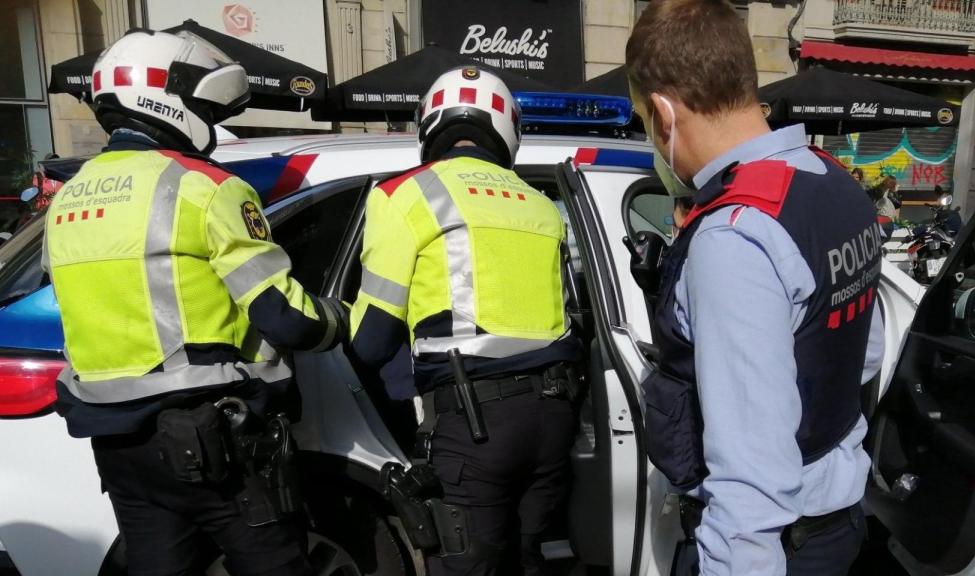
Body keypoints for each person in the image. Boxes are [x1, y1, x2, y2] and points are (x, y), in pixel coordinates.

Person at [43, 30, 346, 575]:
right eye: (206, 107)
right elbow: (287, 319)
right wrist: (343, 318)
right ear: (170, 99)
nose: (210, 121)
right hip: (211, 442)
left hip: (117, 444)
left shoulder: (66, 200)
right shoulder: (205, 187)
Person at [625, 1, 884, 575]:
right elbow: (863, 355)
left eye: (644, 120)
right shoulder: (833, 183)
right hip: (837, 522)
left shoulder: (734, 235)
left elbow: (751, 476)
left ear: (663, 113)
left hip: (775, 549)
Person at [347, 66, 581, 575]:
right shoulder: (542, 207)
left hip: (474, 425)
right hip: (552, 419)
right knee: (527, 561)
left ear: (431, 125)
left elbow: (371, 340)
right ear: (507, 129)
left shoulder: (404, 195)